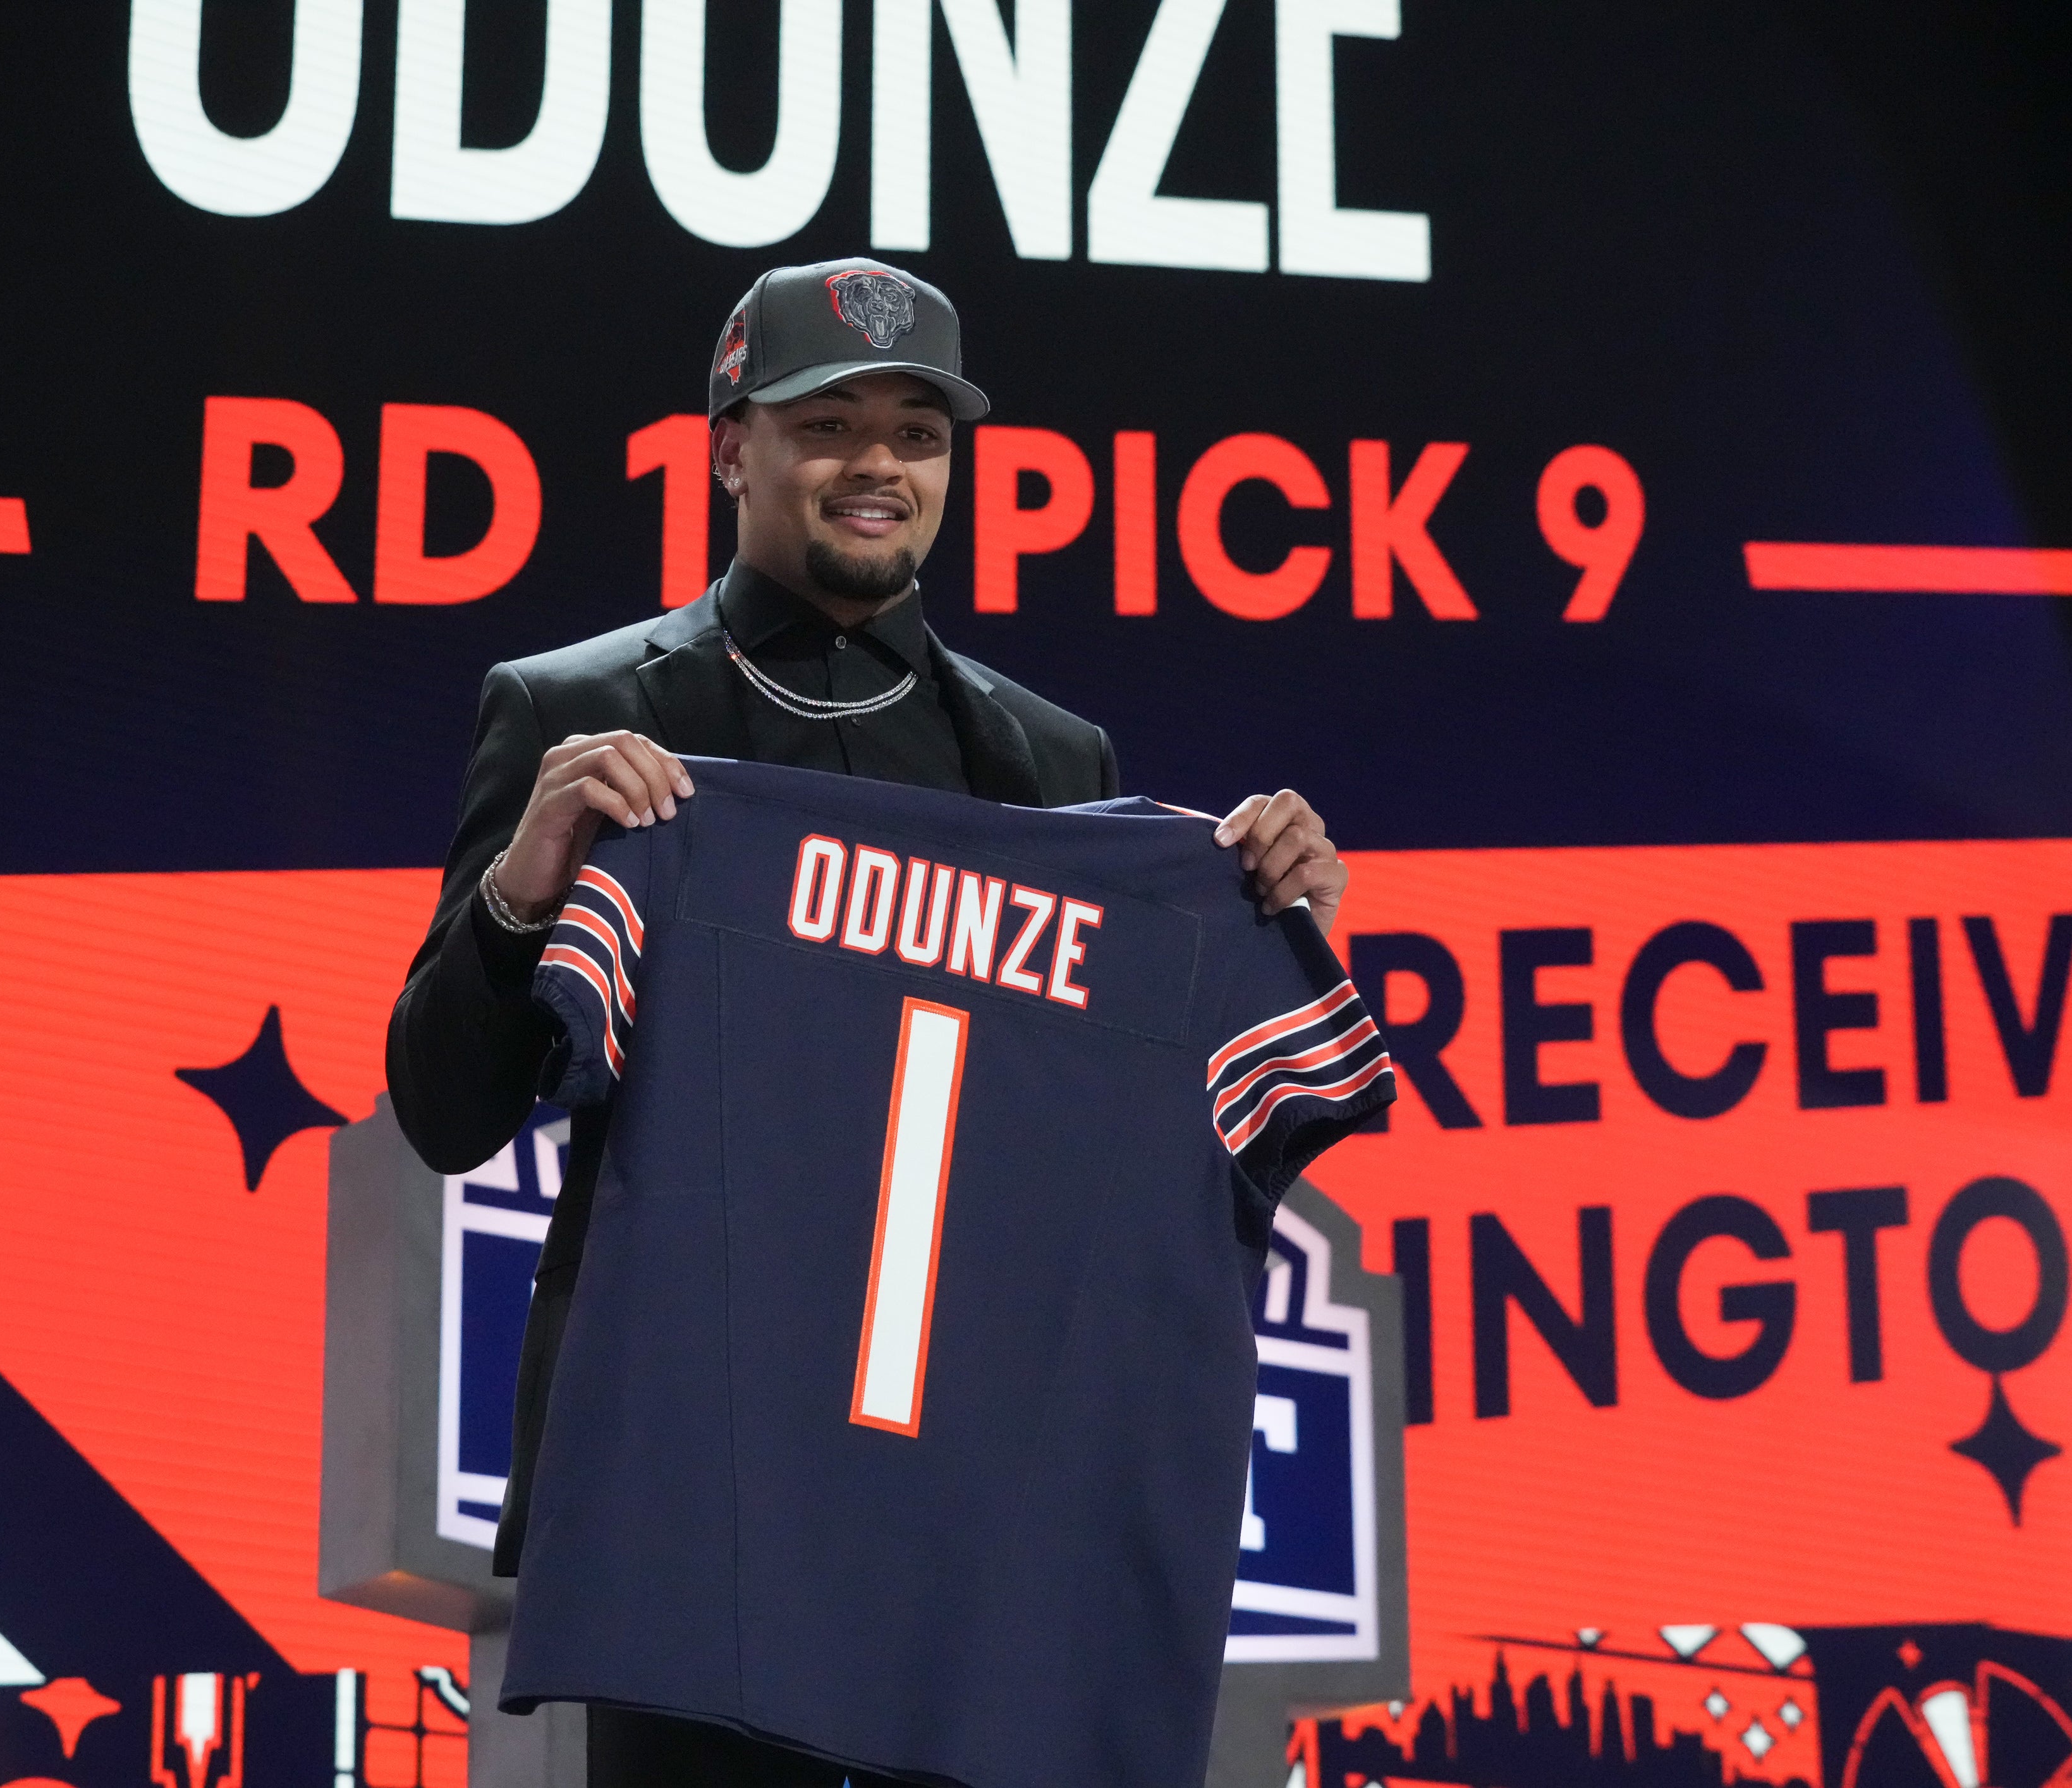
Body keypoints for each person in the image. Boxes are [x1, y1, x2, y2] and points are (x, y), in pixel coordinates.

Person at [384, 257, 1351, 1786]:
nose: (877, 467)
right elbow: (445, 1111)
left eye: (918, 432)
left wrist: (1256, 908)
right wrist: (523, 884)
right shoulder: (576, 711)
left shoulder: (1047, 754)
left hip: (968, 1497)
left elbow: (1100, 1139)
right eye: (828, 423)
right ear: (728, 445)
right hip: (701, 1494)